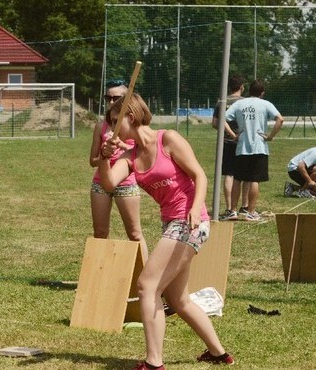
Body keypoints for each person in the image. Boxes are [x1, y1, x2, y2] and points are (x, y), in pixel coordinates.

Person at [99, 93, 233, 370]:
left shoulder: (167, 139)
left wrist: (196, 209)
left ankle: (153, 362)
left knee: (147, 287)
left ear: (132, 117)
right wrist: (104, 157)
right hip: (170, 224)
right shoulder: (129, 155)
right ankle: (219, 354)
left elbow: (200, 175)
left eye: (116, 121)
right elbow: (110, 183)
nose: (112, 129)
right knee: (178, 299)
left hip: (190, 222)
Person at [89, 79, 147, 261]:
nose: (111, 102)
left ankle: (145, 275)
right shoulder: (101, 126)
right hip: (101, 184)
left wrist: (120, 145)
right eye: (108, 98)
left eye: (117, 98)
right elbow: (92, 161)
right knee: (100, 232)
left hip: (126, 183)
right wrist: (105, 155)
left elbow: (142, 153)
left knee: (135, 234)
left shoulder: (135, 126)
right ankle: (98, 275)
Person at [225, 79, 284, 221]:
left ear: (248, 90)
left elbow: (223, 119)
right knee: (254, 180)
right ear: (262, 93)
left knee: (238, 179)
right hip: (259, 146)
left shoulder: (239, 103)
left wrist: (234, 135)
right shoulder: (265, 104)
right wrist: (270, 136)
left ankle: (232, 211)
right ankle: (250, 212)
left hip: (242, 147)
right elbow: (280, 119)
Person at [211, 75, 251, 220]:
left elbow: (215, 123)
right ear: (242, 87)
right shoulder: (246, 102)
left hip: (227, 142)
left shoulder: (222, 101)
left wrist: (229, 133)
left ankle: (229, 209)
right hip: (243, 143)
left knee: (229, 174)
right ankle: (245, 206)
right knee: (246, 175)